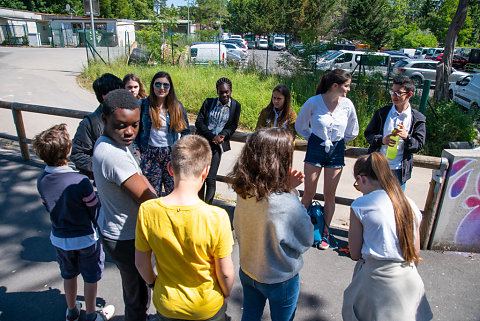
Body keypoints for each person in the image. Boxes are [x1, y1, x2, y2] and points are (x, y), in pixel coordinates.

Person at [135, 134, 235, 321]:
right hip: (206, 307)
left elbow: (141, 263)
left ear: (171, 168)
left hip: (167, 305)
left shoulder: (147, 210)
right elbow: (226, 272)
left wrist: (153, 284)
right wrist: (226, 293)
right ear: (206, 171)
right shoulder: (217, 217)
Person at [228, 128, 313, 321]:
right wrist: (290, 191)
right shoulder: (286, 202)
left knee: (250, 314)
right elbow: (306, 238)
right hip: (280, 277)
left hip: (248, 270)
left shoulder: (244, 191)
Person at [33, 124, 114, 321]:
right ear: (68, 150)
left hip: (60, 237)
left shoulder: (42, 180)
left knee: (68, 274)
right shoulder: (80, 182)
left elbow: (48, 206)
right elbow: (95, 210)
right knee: (90, 276)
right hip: (85, 238)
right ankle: (91, 313)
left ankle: (71, 311)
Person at [92, 89, 157, 321]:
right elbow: (147, 198)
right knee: (138, 297)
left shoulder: (112, 142)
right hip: (125, 237)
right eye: (122, 125)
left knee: (135, 290)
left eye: (135, 125)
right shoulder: (113, 154)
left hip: (118, 230)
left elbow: (139, 176)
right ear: (105, 119)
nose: (129, 132)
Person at [342, 152, 429, 320]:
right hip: (408, 280)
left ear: (362, 179)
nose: (359, 189)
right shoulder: (409, 204)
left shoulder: (360, 205)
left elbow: (355, 253)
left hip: (375, 281)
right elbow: (415, 252)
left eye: (357, 185)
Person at [295, 69, 359, 250]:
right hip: (316, 146)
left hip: (337, 148)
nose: (348, 90)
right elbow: (300, 125)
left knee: (330, 194)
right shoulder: (314, 102)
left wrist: (338, 141)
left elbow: (353, 130)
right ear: (335, 85)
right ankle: (298, 229)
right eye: (346, 86)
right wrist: (314, 139)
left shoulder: (347, 105)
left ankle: (325, 232)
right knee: (309, 192)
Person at [71, 73, 141, 179]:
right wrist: (106, 168)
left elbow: (131, 149)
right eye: (117, 93)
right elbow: (78, 155)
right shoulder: (89, 124)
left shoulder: (124, 118)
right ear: (105, 96)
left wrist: (136, 165)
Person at [364, 76, 426, 189]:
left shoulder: (417, 118)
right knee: (372, 202)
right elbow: (368, 135)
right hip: (378, 166)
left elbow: (419, 145)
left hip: (399, 170)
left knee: (395, 205)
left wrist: (407, 137)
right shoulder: (382, 113)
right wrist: (382, 140)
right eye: (392, 91)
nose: (394, 95)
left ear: (409, 94)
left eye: (398, 93)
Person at [136, 71, 190, 196]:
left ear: (170, 88)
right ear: (152, 86)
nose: (161, 88)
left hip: (170, 153)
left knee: (174, 191)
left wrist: (180, 150)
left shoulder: (176, 106)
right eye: (158, 84)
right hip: (150, 153)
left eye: (166, 85)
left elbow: (185, 131)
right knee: (153, 192)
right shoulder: (143, 105)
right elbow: (135, 130)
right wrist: (138, 150)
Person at [195, 77, 241, 204]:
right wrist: (211, 136)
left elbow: (233, 126)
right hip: (203, 144)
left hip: (217, 146)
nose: (224, 95)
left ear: (230, 91)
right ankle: (198, 205)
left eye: (227, 92)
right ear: (217, 92)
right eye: (221, 92)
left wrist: (222, 135)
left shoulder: (236, 106)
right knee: (200, 177)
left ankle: (208, 207)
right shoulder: (209, 102)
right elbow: (199, 121)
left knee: (210, 178)